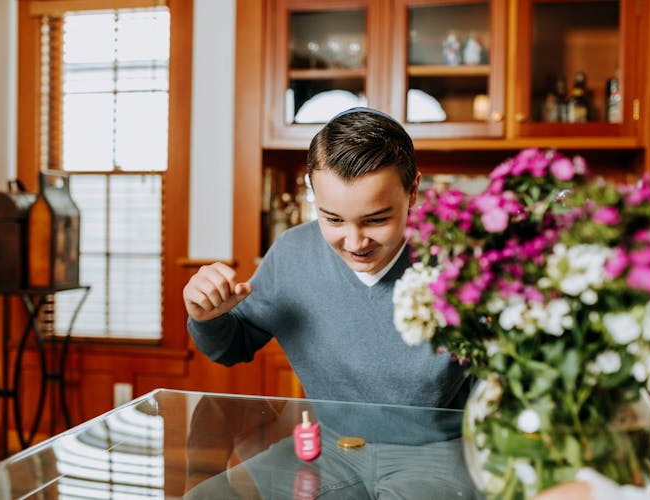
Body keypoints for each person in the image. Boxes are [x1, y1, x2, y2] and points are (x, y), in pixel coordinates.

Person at [183, 107, 471, 410]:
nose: (355, 242)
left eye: (376, 220)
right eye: (333, 220)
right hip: (333, 448)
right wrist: (206, 316)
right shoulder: (292, 255)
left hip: (443, 449)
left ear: (412, 192)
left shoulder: (460, 260)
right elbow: (231, 347)